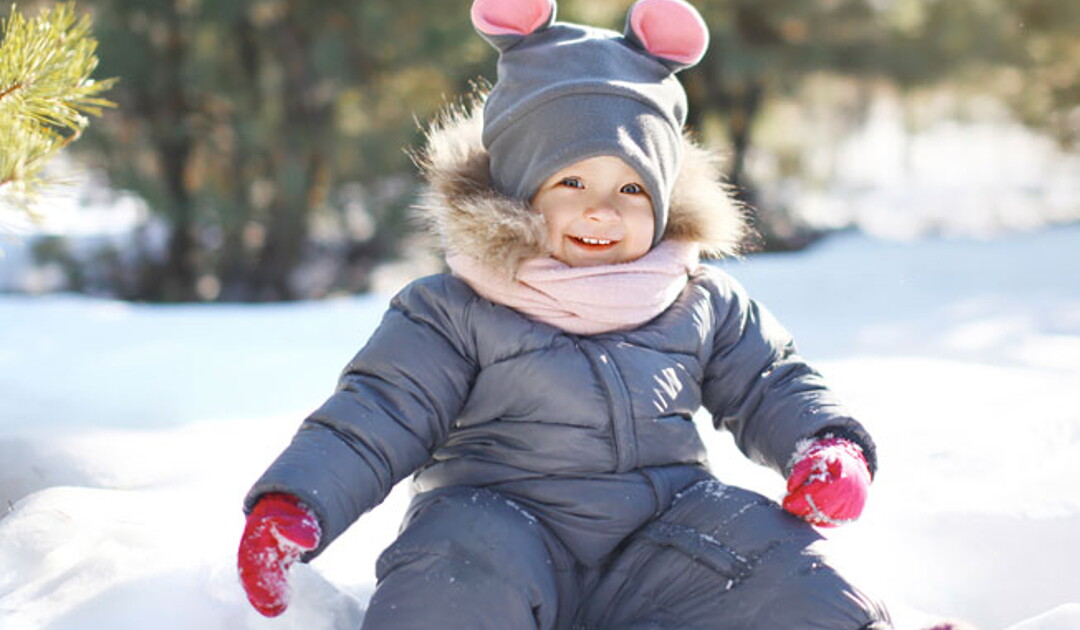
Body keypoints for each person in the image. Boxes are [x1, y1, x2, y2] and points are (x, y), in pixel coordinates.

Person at [237, 0, 892, 628]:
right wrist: (297, 503)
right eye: (570, 182)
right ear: (521, 191)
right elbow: (375, 416)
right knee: (447, 576)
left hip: (665, 531)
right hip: (495, 525)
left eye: (631, 188)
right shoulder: (452, 308)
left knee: (782, 564)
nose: (602, 210)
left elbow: (770, 381)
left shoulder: (698, 299)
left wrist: (824, 445)